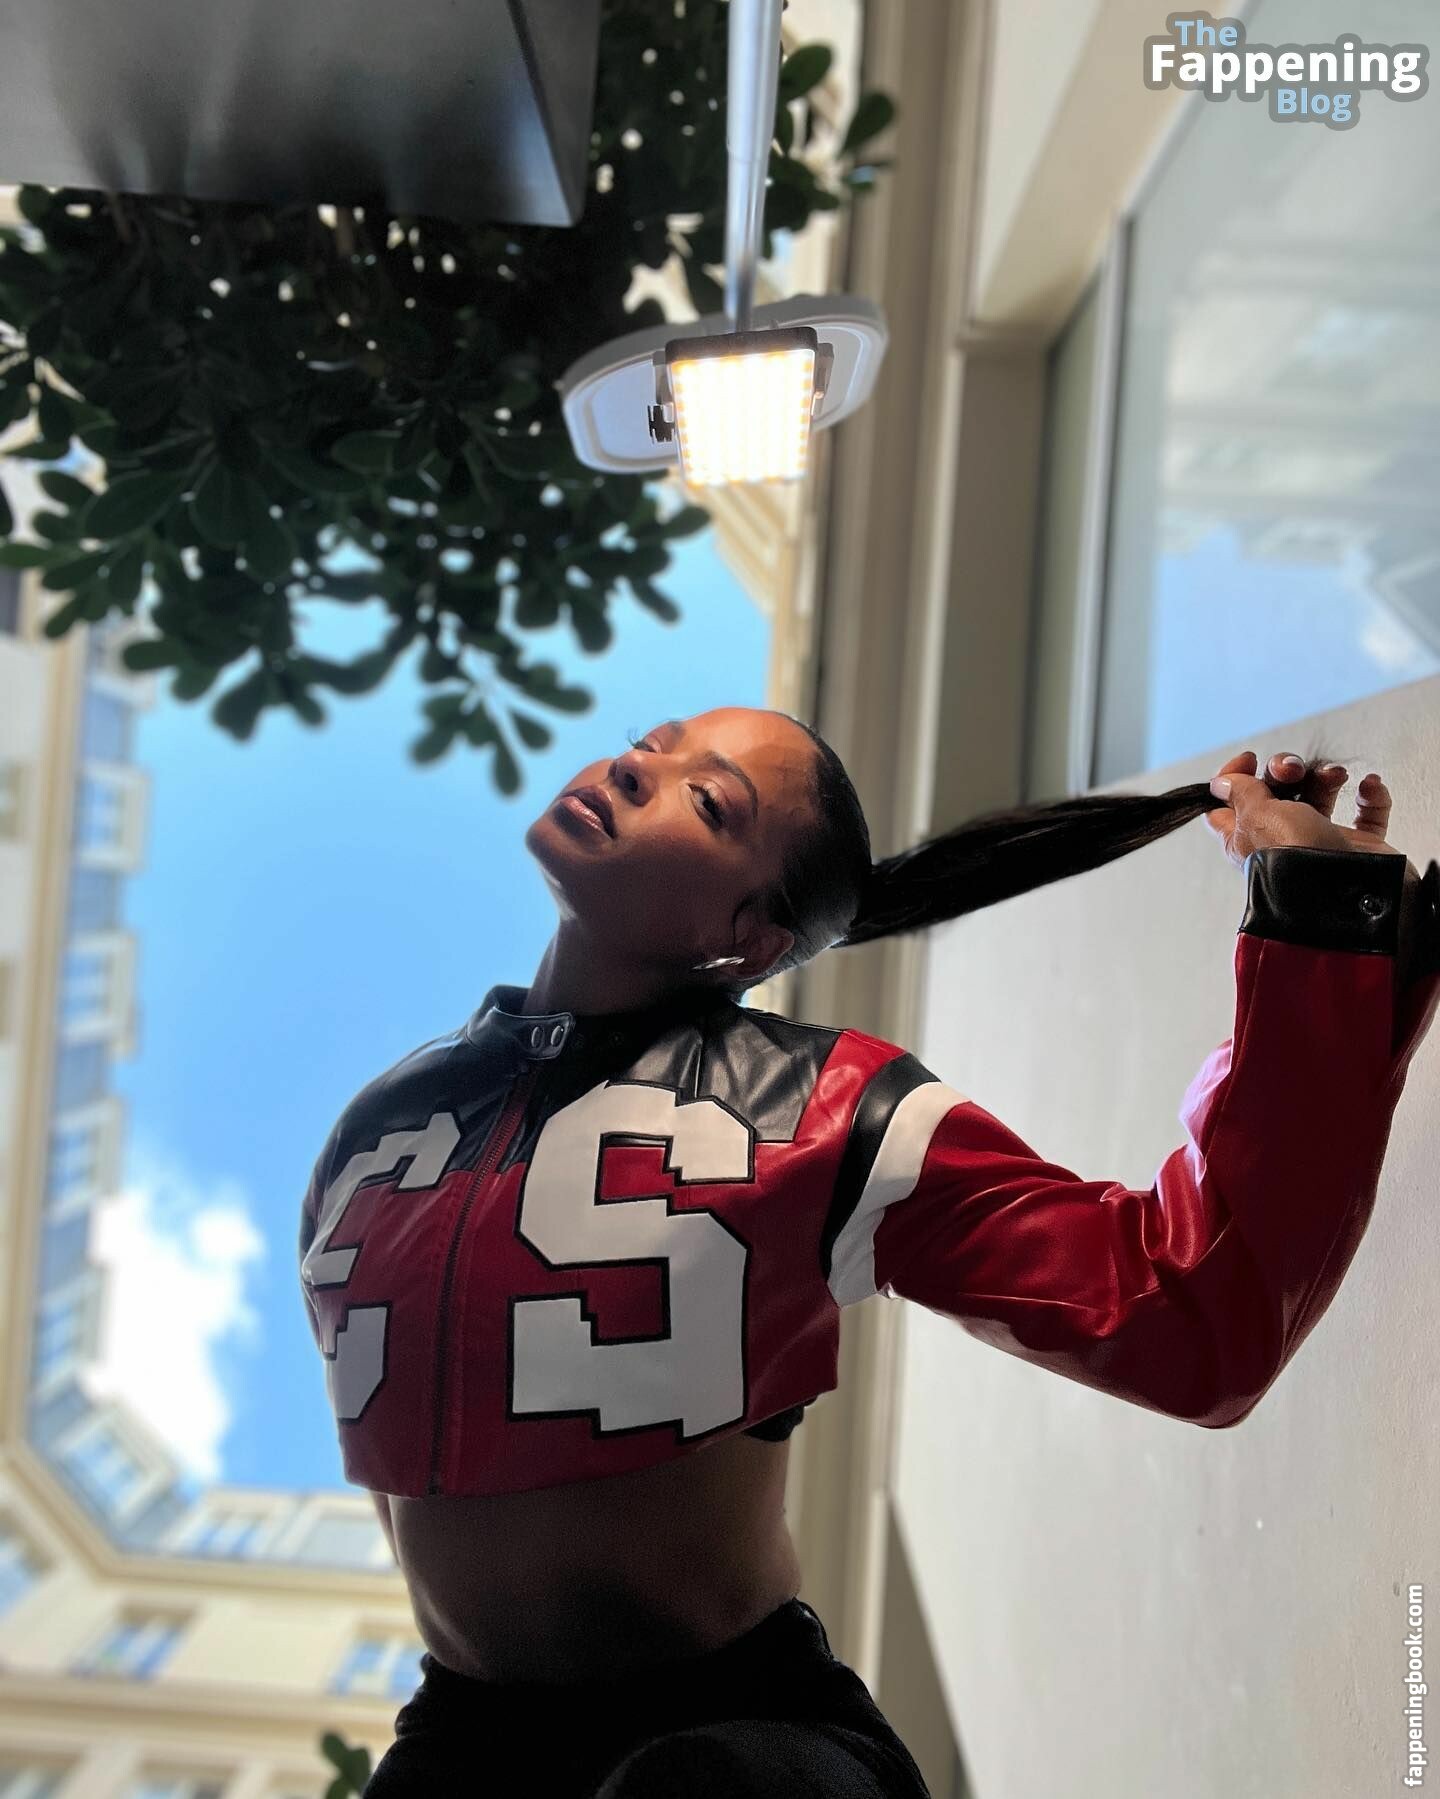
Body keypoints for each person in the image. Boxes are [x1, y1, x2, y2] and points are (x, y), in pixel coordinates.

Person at [299, 707, 1440, 1798]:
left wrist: (1319, 917)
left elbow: (1190, 1313)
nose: (636, 768)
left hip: (747, 1742)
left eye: (710, 800)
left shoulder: (833, 1106)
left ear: (751, 939)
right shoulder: (375, 1134)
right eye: (647, 743)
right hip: (459, 1741)